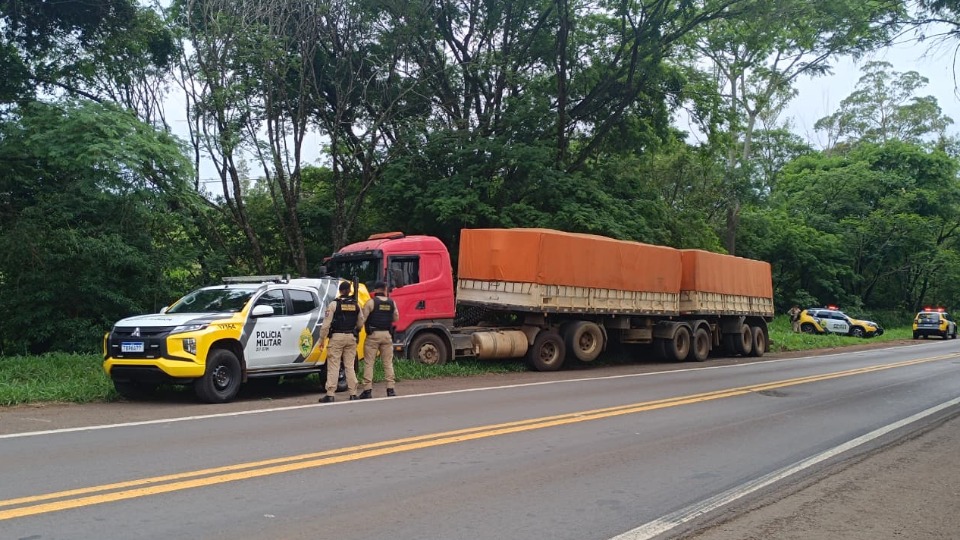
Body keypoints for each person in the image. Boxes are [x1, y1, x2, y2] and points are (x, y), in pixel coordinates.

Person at [317, 281, 365, 403]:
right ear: (349, 290)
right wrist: (356, 331)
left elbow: (326, 325)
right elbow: (361, 322)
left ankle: (330, 394)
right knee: (349, 366)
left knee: (334, 366)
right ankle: (353, 393)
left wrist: (322, 338)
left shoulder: (334, 305)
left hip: (337, 337)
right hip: (351, 337)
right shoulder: (356, 305)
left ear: (340, 290)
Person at [359, 281, 400, 398]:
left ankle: (367, 390)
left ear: (376, 290)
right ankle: (390, 389)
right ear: (385, 290)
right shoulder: (392, 303)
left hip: (373, 335)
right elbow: (396, 318)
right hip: (387, 335)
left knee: (369, 363)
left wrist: (357, 329)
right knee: (388, 363)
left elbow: (362, 319)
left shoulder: (371, 303)